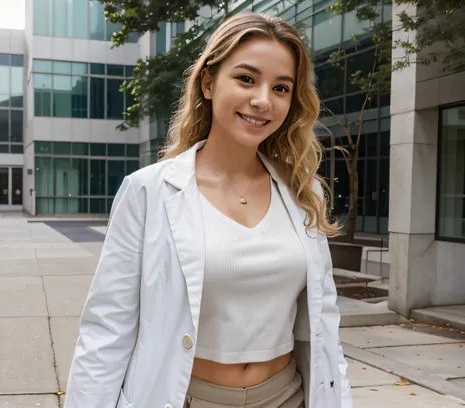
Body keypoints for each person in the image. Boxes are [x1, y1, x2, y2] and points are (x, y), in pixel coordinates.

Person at [63, 12, 353, 408]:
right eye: (246, 79)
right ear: (208, 82)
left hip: (288, 396)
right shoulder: (148, 191)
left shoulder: (304, 193)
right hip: (189, 397)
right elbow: (107, 330)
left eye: (281, 87)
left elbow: (325, 325)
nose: (263, 100)